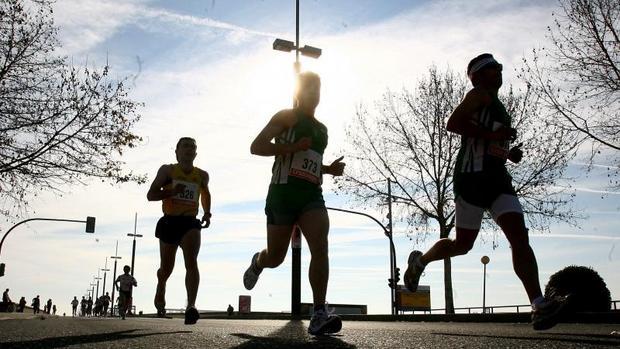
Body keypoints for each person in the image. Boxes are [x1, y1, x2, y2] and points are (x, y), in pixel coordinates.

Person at [403, 53, 569, 331]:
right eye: (493, 69)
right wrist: (492, 136)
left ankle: (538, 305)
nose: (499, 72)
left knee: (519, 236)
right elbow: (453, 123)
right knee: (463, 245)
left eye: (500, 68)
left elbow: (491, 142)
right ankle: (420, 261)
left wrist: (507, 152)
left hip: (497, 178)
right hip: (471, 178)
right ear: (477, 75)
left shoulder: (498, 105)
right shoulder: (478, 94)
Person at [242, 71, 345, 336]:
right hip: (282, 194)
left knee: (320, 246)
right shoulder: (286, 116)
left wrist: (328, 169)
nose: (314, 94)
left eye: (318, 89)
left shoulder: (322, 130)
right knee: (276, 257)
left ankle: (319, 313)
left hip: (311, 195)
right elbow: (257, 146)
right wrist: (290, 147)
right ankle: (258, 262)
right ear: (298, 92)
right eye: (309, 88)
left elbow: (309, 162)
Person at [147, 137, 211, 325]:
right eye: (185, 146)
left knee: (191, 261)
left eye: (192, 147)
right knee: (167, 268)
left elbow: (206, 194)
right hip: (169, 222)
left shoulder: (202, 175)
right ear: (177, 152)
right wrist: (171, 192)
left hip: (190, 222)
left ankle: (191, 306)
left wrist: (207, 213)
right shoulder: (167, 171)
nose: (189, 149)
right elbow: (151, 195)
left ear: (196, 153)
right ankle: (161, 284)